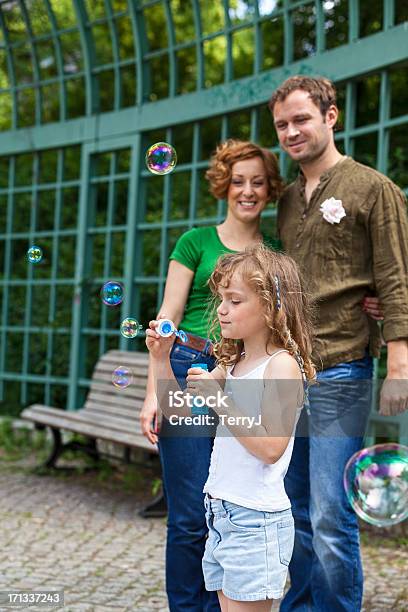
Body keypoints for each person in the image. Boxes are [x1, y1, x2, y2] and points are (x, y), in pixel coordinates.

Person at [268, 75, 408, 611]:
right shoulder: (284, 200)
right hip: (286, 371)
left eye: (301, 119)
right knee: (295, 510)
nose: (291, 132)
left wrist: (398, 361)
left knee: (330, 512)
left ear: (331, 117)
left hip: (341, 367)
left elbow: (395, 277)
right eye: (282, 125)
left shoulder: (374, 189)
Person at [140, 140, 284, 612]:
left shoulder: (276, 251)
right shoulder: (195, 242)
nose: (248, 190)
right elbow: (169, 313)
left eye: (258, 182)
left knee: (230, 498)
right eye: (238, 180)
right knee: (187, 515)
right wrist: (152, 393)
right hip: (188, 368)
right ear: (224, 184)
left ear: (269, 189)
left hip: (244, 372)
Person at [146, 243, 316, 611]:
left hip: (257, 523)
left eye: (235, 300)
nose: (221, 309)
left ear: (270, 307)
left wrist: (219, 398)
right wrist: (160, 361)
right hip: (221, 514)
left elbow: (271, 447)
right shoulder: (233, 363)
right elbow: (177, 416)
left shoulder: (281, 366)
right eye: (222, 299)